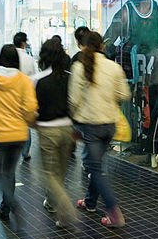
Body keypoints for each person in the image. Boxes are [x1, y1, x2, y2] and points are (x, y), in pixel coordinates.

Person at [69, 31, 130, 227]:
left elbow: (73, 100)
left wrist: (74, 120)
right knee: (95, 164)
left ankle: (115, 213)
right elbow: (124, 93)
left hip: (91, 125)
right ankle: (90, 202)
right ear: (102, 46)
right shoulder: (113, 67)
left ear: (83, 46)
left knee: (94, 168)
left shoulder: (79, 67)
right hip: (110, 125)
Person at [0, 44, 38, 229]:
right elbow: (30, 109)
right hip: (18, 134)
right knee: (9, 172)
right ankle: (5, 207)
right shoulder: (24, 80)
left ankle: (14, 205)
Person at [34, 39, 77, 228]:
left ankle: (65, 206)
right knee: (61, 171)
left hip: (47, 130)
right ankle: (53, 205)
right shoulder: (70, 78)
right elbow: (74, 104)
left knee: (49, 173)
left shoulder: (39, 80)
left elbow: (33, 108)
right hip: (67, 129)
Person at [13, 32, 37, 162]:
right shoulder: (29, 59)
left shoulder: (9, 57)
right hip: (25, 96)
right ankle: (25, 151)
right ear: (23, 43)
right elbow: (34, 78)